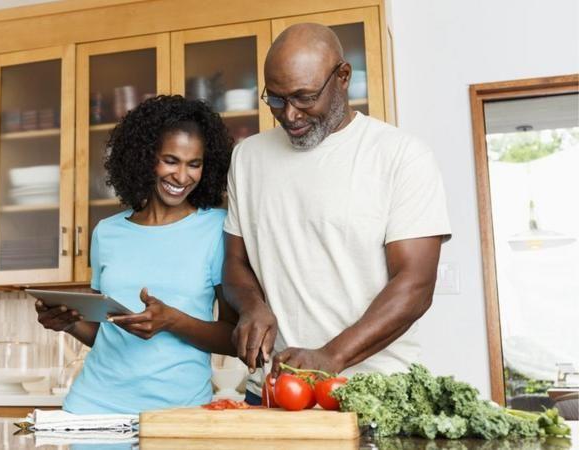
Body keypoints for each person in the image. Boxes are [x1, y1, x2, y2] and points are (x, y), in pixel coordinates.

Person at [222, 23, 452, 405]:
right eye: (276, 100)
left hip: (373, 391)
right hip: (275, 391)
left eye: (304, 97)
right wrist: (251, 306)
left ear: (343, 77)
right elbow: (234, 262)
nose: (290, 115)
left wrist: (331, 356)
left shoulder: (401, 156)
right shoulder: (247, 157)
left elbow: (415, 285)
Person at [35, 95, 237, 414]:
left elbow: (234, 338)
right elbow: (107, 331)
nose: (182, 177)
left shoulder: (216, 229)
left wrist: (172, 321)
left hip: (177, 413)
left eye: (193, 164)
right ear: (145, 157)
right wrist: (68, 323)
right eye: (171, 160)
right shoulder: (107, 231)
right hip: (93, 405)